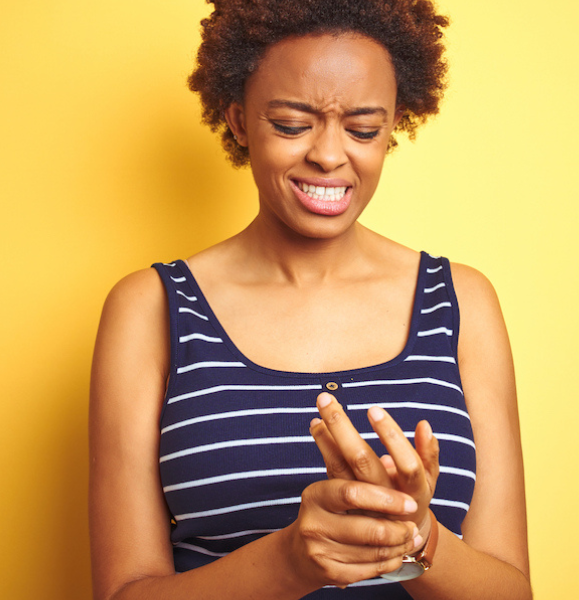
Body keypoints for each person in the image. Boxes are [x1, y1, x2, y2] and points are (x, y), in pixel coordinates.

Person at [88, 1, 531, 598]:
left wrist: (417, 538)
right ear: (240, 122)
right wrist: (290, 562)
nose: (328, 154)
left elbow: (511, 590)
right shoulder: (150, 310)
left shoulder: (462, 302)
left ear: (395, 124)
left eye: (364, 129)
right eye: (293, 125)